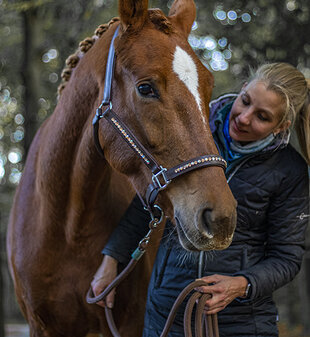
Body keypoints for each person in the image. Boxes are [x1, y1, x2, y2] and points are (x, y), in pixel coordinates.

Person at [91, 62, 310, 337]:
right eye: (245, 102)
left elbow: (287, 257)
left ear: (281, 126)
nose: (243, 117)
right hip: (166, 313)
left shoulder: (290, 171)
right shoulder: (191, 134)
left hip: (242, 322)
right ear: (242, 89)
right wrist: (111, 260)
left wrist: (242, 284)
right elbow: (148, 203)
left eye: (262, 117)